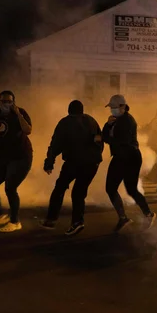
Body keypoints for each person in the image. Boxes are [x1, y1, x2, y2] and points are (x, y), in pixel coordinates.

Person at [40, 100, 104, 235]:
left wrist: (49, 163)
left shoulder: (65, 123)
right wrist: (96, 158)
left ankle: (51, 220)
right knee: (79, 193)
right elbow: (99, 141)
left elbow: (55, 145)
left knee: (59, 189)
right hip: (92, 164)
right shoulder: (92, 121)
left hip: (74, 162)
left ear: (69, 110)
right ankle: (77, 222)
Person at [103, 94, 156, 231]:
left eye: (114, 107)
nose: (112, 110)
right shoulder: (118, 119)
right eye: (111, 108)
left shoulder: (126, 121)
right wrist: (108, 126)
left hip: (126, 156)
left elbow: (114, 140)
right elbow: (106, 136)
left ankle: (125, 217)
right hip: (127, 156)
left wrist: (106, 135)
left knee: (111, 187)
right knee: (129, 189)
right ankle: (146, 214)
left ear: (122, 106)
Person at [0, 91, 33, 232]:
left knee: (10, 188)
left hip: (20, 156)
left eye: (9, 101)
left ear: (14, 102)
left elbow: (28, 130)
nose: (6, 104)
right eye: (3, 101)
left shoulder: (20, 113)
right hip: (2, 156)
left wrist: (18, 114)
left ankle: (15, 221)